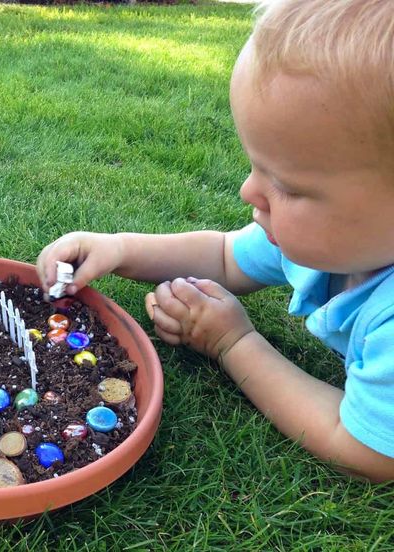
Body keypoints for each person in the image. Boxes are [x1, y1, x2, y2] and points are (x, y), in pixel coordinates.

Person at [36, 0, 394, 482]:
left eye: (287, 185)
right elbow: (225, 257)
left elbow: (363, 449)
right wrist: (119, 247)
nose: (249, 191)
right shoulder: (330, 243)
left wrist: (234, 342)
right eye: (255, 167)